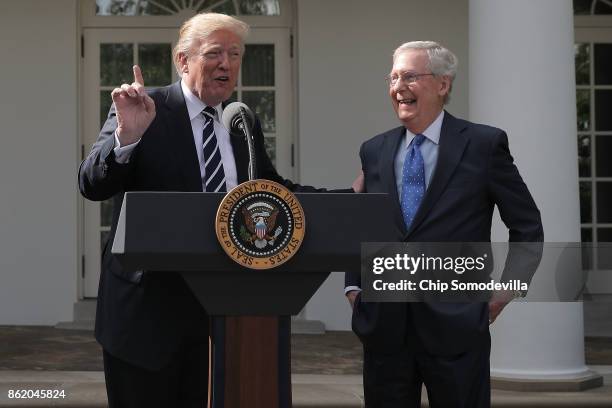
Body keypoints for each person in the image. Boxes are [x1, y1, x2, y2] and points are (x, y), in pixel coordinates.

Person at [79, 12, 346, 408]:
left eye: (235, 54)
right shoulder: (143, 109)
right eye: (215, 53)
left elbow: (270, 190)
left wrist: (347, 198)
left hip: (227, 310)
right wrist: (126, 137)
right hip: (147, 313)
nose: (227, 64)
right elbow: (92, 184)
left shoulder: (239, 121)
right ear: (183, 60)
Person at [345, 41, 544, 407]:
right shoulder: (374, 150)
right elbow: (360, 224)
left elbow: (527, 227)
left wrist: (504, 293)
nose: (397, 86)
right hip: (385, 329)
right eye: (392, 77)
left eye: (409, 76)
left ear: (442, 84)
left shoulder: (484, 145)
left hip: (457, 327)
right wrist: (355, 288)